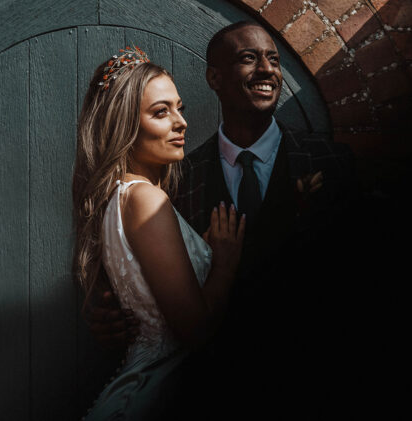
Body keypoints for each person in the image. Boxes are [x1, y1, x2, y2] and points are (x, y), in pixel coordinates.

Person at [88, 22, 357, 419]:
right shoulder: (177, 181)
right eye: (249, 58)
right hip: (205, 393)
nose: (267, 70)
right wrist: (111, 312)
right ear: (214, 78)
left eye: (274, 59)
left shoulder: (330, 162)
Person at [72, 46, 245, 419]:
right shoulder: (147, 199)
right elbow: (195, 332)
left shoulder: (118, 197)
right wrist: (225, 265)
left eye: (179, 108)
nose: (181, 122)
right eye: (161, 112)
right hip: (155, 394)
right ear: (124, 125)